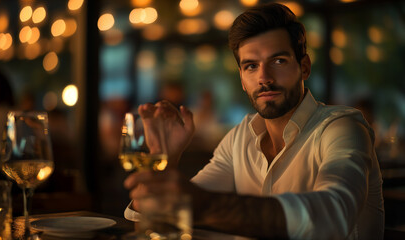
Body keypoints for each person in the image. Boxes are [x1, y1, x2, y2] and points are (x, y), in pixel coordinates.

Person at [124, 3, 384, 239]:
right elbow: (157, 219)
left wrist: (203, 205)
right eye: (251, 66)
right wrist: (164, 162)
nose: (264, 78)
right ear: (241, 77)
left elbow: (332, 216)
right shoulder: (240, 138)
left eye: (278, 61)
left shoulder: (342, 128)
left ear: (304, 67)